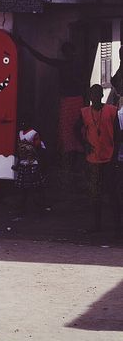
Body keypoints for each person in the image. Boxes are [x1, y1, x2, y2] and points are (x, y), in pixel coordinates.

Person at [17, 38, 86, 159]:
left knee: (77, 128)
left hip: (76, 100)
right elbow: (42, 58)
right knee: (66, 130)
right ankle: (69, 156)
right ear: (64, 53)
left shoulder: (78, 65)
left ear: (73, 52)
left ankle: (76, 155)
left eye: (70, 51)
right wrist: (26, 46)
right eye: (66, 52)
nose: (68, 54)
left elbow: (84, 84)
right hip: (67, 100)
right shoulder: (65, 64)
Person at [76, 84, 120, 234]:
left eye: (97, 94)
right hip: (92, 160)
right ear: (89, 96)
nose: (94, 97)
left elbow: (118, 135)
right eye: (92, 94)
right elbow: (76, 129)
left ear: (101, 96)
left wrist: (114, 156)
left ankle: (118, 227)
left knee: (112, 193)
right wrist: (85, 144)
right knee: (95, 194)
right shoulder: (84, 113)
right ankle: (96, 226)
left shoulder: (111, 111)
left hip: (108, 159)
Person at [15, 115, 47, 212]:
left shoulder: (34, 133)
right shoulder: (20, 133)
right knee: (24, 189)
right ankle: (23, 208)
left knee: (34, 188)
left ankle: (38, 208)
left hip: (32, 164)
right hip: (23, 164)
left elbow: (39, 148)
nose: (23, 124)